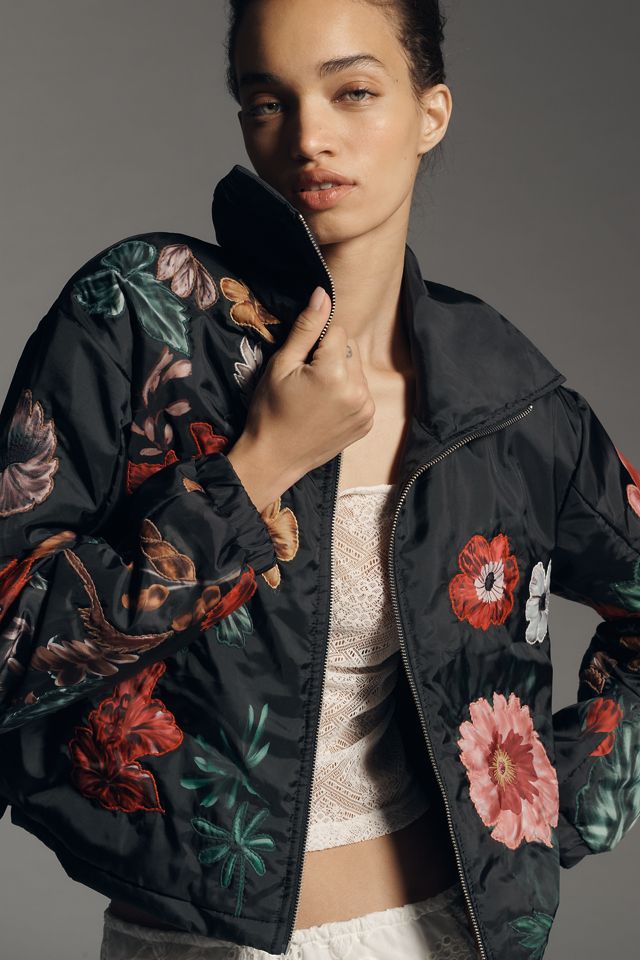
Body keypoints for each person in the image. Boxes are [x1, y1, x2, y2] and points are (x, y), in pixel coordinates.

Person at [1, 1, 639, 959]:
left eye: (354, 92)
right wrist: (258, 467)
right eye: (269, 102)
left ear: (431, 113)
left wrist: (543, 808)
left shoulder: (500, 397)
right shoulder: (144, 318)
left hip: (440, 935)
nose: (308, 137)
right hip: (201, 947)